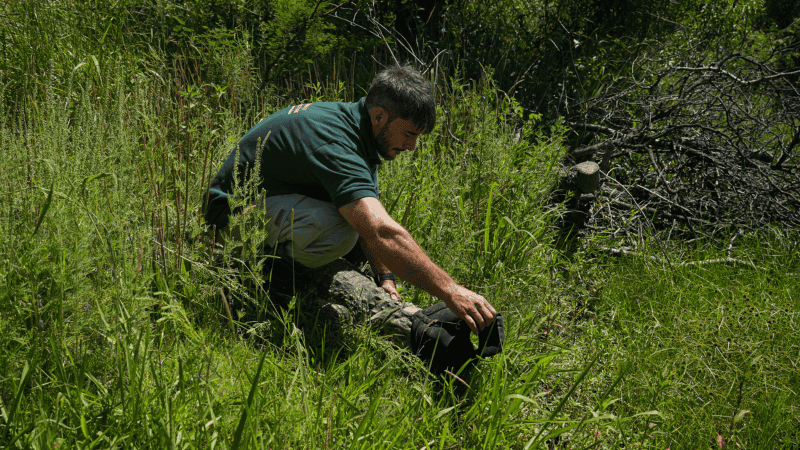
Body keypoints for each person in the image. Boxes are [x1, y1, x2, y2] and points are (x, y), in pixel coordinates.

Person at [202, 63, 496, 334]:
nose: (412, 146)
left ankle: (285, 262)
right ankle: (272, 283)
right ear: (379, 116)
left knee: (353, 224)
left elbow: (371, 213)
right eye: (408, 134)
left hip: (267, 204)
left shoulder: (360, 129)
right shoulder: (337, 142)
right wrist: (450, 290)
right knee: (340, 230)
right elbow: (380, 230)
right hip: (225, 221)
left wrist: (385, 279)